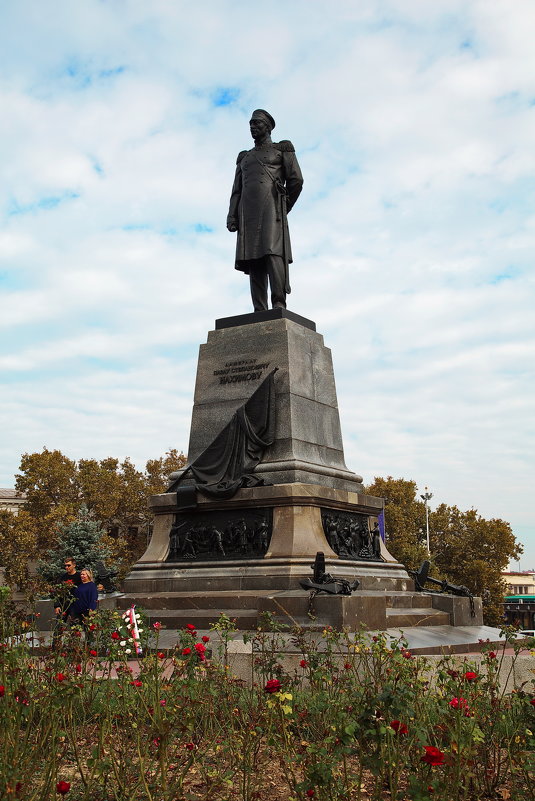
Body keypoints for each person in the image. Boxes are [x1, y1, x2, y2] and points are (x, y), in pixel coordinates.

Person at [227, 109, 303, 312]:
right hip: (247, 211)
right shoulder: (244, 157)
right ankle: (259, 308)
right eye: (251, 124)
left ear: (267, 127)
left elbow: (296, 180)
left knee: (272, 252)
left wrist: (285, 204)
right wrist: (232, 214)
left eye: (257, 124)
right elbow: (237, 189)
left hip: (271, 207)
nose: (252, 127)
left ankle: (278, 301)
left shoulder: (282, 149)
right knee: (253, 257)